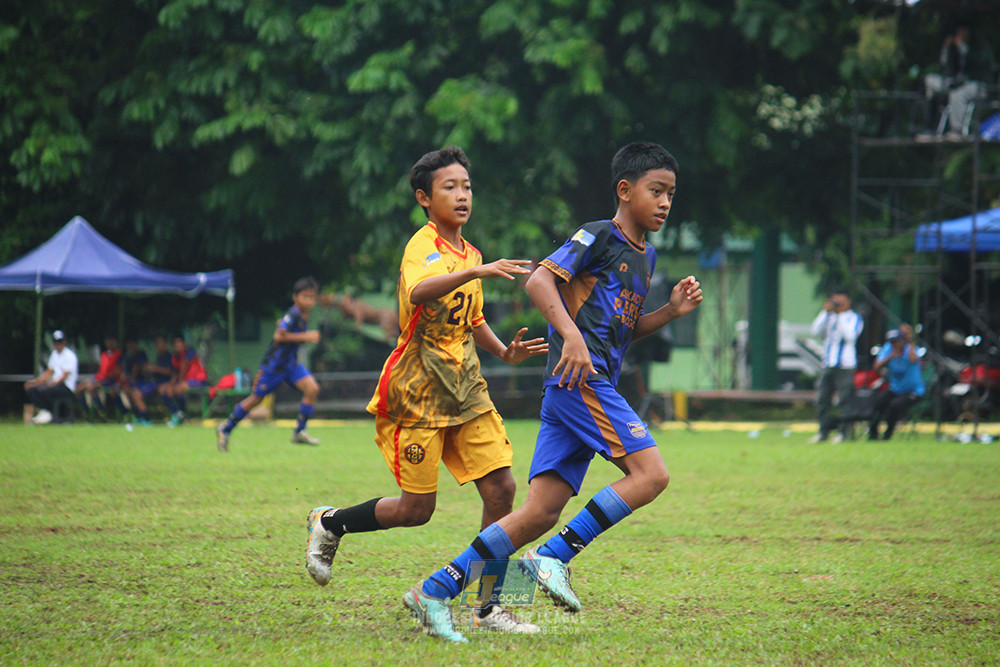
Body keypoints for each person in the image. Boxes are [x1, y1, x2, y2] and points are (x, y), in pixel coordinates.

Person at [398, 141, 703, 643]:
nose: (666, 202)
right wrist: (571, 336)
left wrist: (669, 312)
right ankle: (553, 556)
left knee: (538, 513)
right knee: (651, 475)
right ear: (625, 191)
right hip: (581, 382)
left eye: (671, 193)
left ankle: (436, 591)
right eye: (657, 191)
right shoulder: (599, 235)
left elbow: (620, 332)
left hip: (579, 386)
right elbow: (539, 281)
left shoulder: (645, 257)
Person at [303, 146, 548, 634]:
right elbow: (418, 292)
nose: (462, 195)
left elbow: (472, 318)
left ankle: (489, 606)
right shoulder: (423, 245)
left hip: (467, 390)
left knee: (502, 489)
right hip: (417, 393)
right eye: (449, 187)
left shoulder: (471, 253)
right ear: (424, 198)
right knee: (416, 511)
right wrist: (476, 272)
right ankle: (330, 522)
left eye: (467, 186)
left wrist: (504, 352)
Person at [216, 277, 324, 451]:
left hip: (290, 365)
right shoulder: (293, 314)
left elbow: (285, 329)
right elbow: (278, 336)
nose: (309, 301)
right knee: (255, 399)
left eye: (312, 297)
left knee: (312, 389)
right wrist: (306, 336)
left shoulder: (303, 316)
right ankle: (226, 428)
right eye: (305, 296)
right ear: (295, 297)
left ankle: (299, 431)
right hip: (274, 366)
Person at [920, 24, 996, 140]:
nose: (960, 34)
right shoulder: (954, 46)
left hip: (978, 85)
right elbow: (946, 68)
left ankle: (957, 130)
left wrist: (962, 46)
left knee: (957, 95)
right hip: (955, 83)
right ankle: (928, 128)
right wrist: (947, 49)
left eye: (963, 31)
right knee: (929, 82)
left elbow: (974, 64)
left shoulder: (979, 47)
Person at [809, 288, 864, 444]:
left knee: (844, 398)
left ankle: (844, 432)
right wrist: (825, 312)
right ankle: (823, 431)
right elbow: (815, 331)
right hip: (828, 363)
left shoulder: (853, 317)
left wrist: (840, 315)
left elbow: (850, 336)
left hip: (846, 365)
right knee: (822, 398)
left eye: (840, 298)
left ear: (848, 301)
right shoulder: (829, 317)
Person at [868, 325, 925, 441]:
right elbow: (876, 367)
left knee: (895, 405)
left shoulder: (911, 349)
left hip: (913, 390)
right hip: (895, 388)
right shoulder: (888, 349)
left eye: (897, 341)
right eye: (892, 342)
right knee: (878, 403)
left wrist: (911, 341)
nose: (894, 345)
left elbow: (913, 359)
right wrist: (890, 356)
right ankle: (873, 435)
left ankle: (887, 435)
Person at [24, 330, 79, 425]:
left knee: (45, 391)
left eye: (60, 342)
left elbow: (64, 377)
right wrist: (35, 382)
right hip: (54, 384)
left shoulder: (70, 356)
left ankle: (50, 413)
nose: (58, 345)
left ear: (64, 342)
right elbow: (49, 372)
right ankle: (45, 411)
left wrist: (51, 384)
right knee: (31, 390)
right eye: (56, 342)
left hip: (66, 387)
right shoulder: (54, 355)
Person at [160, 333, 208, 426]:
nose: (177, 345)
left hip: (199, 380)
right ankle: (176, 413)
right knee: (164, 389)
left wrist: (177, 384)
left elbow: (183, 367)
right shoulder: (174, 357)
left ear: (183, 343)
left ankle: (182, 413)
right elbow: (175, 373)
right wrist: (170, 384)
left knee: (178, 388)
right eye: (175, 343)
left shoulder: (189, 351)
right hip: (185, 382)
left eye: (179, 342)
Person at [75, 333, 123, 420]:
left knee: (92, 388)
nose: (110, 343)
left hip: (112, 381)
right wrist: (98, 379)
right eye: (108, 341)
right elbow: (102, 371)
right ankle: (86, 412)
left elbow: (116, 371)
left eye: (112, 341)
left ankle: (102, 412)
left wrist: (101, 380)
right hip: (101, 379)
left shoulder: (118, 354)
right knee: (79, 388)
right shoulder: (104, 355)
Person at [128, 335, 173, 424]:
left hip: (159, 384)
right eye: (157, 343)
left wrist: (154, 368)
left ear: (165, 344)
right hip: (154, 382)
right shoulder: (159, 356)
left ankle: (145, 419)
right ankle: (139, 417)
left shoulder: (168, 356)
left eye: (160, 343)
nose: (158, 345)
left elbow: (170, 371)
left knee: (136, 394)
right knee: (131, 391)